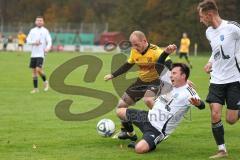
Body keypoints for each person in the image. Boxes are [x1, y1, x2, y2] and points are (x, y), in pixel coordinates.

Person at [116, 61, 205, 154]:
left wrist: (198, 104)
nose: (171, 75)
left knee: (139, 149)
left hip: (157, 129)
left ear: (183, 76)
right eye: (171, 73)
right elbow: (158, 65)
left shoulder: (188, 92)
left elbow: (202, 105)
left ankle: (148, 142)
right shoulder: (169, 82)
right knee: (120, 112)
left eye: (174, 73)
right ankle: (131, 135)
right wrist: (166, 52)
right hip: (147, 117)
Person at [104, 31, 172, 141]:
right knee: (121, 105)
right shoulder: (134, 51)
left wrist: (179, 78)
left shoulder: (155, 51)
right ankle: (129, 133)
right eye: (132, 45)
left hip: (155, 81)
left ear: (144, 41)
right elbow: (128, 65)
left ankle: (162, 128)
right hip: (141, 82)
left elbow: (169, 62)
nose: (134, 47)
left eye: (136, 44)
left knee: (148, 100)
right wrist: (113, 75)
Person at [198, 0, 240, 158]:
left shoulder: (232, 27)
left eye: (202, 16)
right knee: (215, 114)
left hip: (234, 79)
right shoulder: (209, 32)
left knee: (231, 119)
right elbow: (216, 50)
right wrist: (210, 61)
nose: (200, 20)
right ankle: (222, 149)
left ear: (209, 15)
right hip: (216, 80)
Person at [27, 16, 52, 93]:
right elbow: (28, 40)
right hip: (33, 54)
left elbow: (49, 41)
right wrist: (34, 42)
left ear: (43, 22)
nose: (39, 22)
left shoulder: (45, 31)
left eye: (41, 20)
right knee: (34, 71)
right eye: (38, 20)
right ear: (35, 22)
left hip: (41, 54)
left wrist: (47, 48)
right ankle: (36, 89)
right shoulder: (32, 31)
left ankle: (46, 82)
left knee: (38, 70)